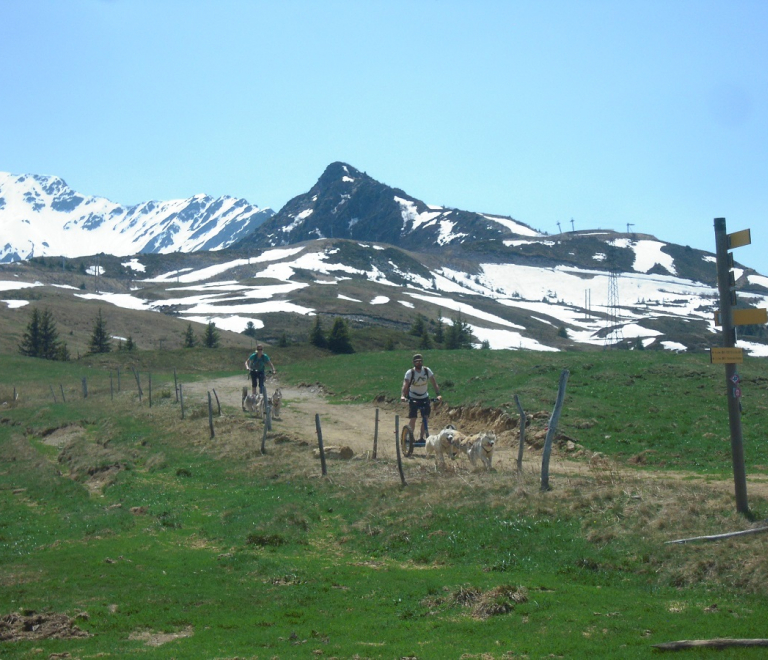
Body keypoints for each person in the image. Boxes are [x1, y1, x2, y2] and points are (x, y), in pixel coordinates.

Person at [400, 353, 442, 439]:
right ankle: (409, 437)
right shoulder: (410, 372)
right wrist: (403, 396)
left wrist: (438, 395)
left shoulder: (427, 370)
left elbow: (434, 383)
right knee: (413, 418)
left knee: (425, 418)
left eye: (420, 361)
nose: (419, 363)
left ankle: (421, 438)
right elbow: (405, 385)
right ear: (413, 363)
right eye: (416, 362)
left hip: (424, 397)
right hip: (413, 397)